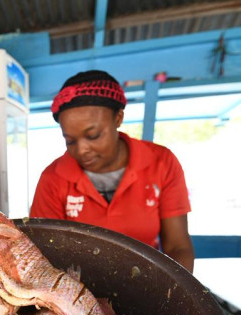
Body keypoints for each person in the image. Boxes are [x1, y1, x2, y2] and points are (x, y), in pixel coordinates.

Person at [29, 70, 195, 272]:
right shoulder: (53, 178)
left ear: (118, 118)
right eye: (70, 141)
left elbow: (178, 247)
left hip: (149, 285)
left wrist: (172, 298)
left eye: (93, 135)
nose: (81, 150)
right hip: (78, 291)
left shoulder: (161, 162)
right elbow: (45, 255)